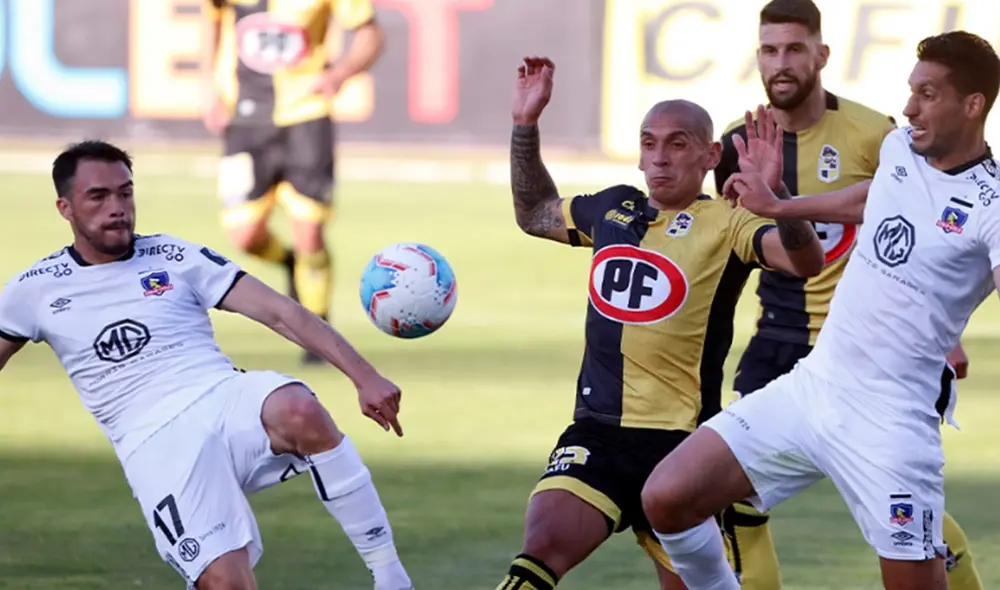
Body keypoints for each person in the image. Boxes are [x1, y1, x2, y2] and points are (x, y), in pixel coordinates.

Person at [642, 30, 1000, 590]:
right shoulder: (901, 147)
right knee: (667, 497)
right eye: (911, 91)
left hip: (892, 420)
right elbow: (872, 196)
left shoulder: (991, 205)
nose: (909, 107)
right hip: (814, 386)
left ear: (973, 104)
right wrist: (781, 204)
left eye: (927, 94)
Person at [0, 141, 413, 590]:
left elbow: (281, 311)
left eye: (125, 193)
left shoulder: (175, 257)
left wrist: (364, 376)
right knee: (227, 585)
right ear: (65, 207)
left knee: (299, 407)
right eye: (98, 196)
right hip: (154, 445)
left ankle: (390, 575)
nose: (117, 207)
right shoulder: (33, 290)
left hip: (220, 399)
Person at [492, 56, 823, 590]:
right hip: (597, 433)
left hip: (683, 448)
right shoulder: (611, 210)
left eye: (678, 143)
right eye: (650, 144)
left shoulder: (730, 223)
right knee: (538, 554)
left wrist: (779, 201)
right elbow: (534, 213)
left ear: (710, 154)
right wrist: (525, 125)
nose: (660, 159)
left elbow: (807, 263)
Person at [201, 0, 385, 365]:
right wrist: (209, 86)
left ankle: (318, 334)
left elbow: (371, 33)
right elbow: (212, 21)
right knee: (244, 236)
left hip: (307, 117)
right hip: (246, 122)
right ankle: (291, 265)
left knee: (310, 233)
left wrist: (341, 73)